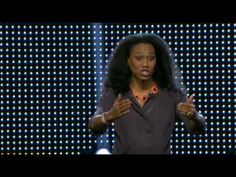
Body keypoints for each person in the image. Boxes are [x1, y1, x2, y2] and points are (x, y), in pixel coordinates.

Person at [89, 33, 206, 154]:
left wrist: (195, 116)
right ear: (128, 61)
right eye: (139, 58)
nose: (145, 64)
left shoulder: (172, 94)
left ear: (157, 61)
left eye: (151, 58)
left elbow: (198, 128)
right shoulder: (116, 92)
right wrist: (107, 117)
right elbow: (93, 126)